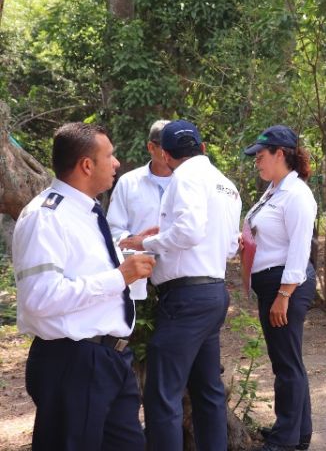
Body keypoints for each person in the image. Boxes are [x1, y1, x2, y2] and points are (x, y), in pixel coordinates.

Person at [14, 122, 156, 450]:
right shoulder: (46, 217)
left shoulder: (87, 212)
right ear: (87, 165)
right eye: (110, 155)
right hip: (73, 361)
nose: (116, 162)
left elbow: (87, 269)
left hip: (110, 359)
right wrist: (119, 276)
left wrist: (129, 253)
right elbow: (40, 297)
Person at [120, 120, 241, 450]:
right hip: (214, 291)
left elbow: (189, 231)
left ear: (165, 154)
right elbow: (231, 246)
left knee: (162, 394)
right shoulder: (226, 185)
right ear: (202, 148)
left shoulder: (184, 177)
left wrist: (146, 243)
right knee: (207, 390)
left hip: (186, 298)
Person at [241, 125, 318, 451]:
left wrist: (284, 295)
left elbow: (300, 248)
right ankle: (298, 433)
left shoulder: (296, 194)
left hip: (286, 285)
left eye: (261, 156)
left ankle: (285, 440)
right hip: (272, 283)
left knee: (286, 365)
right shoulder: (274, 191)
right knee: (289, 361)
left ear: (280, 154)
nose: (257, 162)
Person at [106, 119, 172, 301]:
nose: (173, 153)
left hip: (177, 276)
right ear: (151, 147)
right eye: (167, 147)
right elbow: (113, 229)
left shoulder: (189, 183)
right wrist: (136, 241)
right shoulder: (128, 183)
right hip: (137, 277)